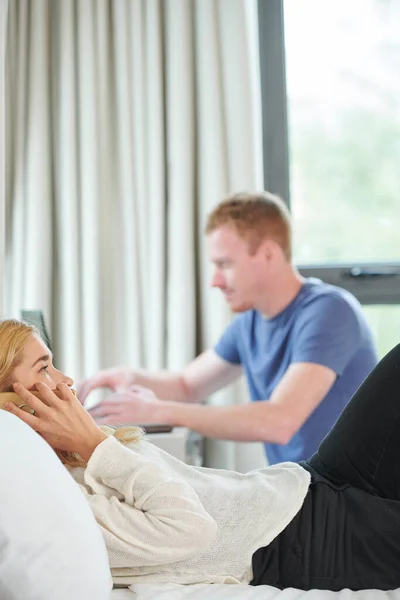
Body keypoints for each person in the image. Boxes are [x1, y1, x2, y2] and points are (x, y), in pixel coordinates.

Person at [1, 317, 400, 592]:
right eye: (45, 369)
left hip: (302, 485)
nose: (65, 380)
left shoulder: (69, 455)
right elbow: (192, 528)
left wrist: (86, 443)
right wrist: (93, 443)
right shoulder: (60, 502)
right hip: (299, 543)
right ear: (10, 404)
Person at [78, 191, 378, 464]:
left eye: (225, 265)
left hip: (350, 499)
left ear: (269, 255)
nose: (215, 281)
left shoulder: (329, 311)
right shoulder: (249, 322)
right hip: (305, 487)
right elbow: (187, 385)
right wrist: (130, 376)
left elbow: (279, 421)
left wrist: (158, 411)